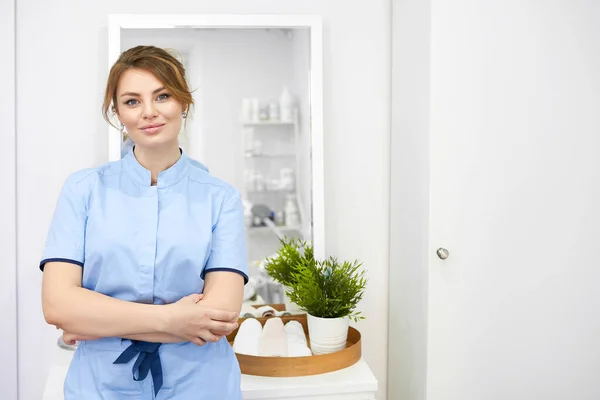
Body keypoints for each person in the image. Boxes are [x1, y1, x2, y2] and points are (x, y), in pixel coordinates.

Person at [40, 45, 248, 399]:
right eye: (132, 101)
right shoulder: (83, 190)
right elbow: (58, 306)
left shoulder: (220, 198)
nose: (149, 112)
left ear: (184, 102)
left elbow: (219, 316)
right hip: (100, 385)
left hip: (201, 383)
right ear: (117, 112)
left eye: (163, 96)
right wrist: (174, 320)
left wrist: (97, 320)